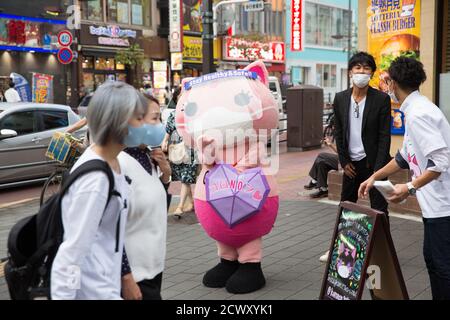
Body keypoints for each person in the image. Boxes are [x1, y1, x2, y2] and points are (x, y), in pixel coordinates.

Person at [359, 57, 450, 300]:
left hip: (444, 205)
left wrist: (408, 188)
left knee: (442, 267)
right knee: (433, 260)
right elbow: (404, 157)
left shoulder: (419, 114)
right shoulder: (414, 110)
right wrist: (374, 177)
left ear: (394, 83)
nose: (386, 88)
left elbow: (441, 162)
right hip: (434, 204)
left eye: (387, 82)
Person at [50, 81, 147, 299]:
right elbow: (70, 254)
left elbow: (108, 234)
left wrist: (125, 276)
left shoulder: (112, 162)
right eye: (139, 119)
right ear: (118, 121)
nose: (145, 126)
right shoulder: (95, 179)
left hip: (107, 286)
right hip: (92, 292)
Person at [119, 94, 171, 300]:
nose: (161, 125)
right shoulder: (117, 164)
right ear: (133, 120)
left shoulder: (147, 157)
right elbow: (106, 231)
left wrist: (165, 175)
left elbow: (156, 210)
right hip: (133, 275)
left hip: (153, 267)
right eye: (155, 118)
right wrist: (126, 278)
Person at [333, 51, 391, 216]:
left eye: (366, 68)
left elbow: (384, 137)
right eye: (357, 67)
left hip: (373, 164)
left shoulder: (381, 99)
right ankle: (345, 241)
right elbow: (338, 132)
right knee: (346, 207)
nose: (361, 72)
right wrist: (344, 161)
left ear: (372, 73)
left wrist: (378, 169)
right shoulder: (340, 98)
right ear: (350, 72)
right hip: (351, 164)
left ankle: (382, 241)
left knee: (380, 210)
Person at [161, 87, 199, 217]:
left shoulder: (195, 113)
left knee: (186, 178)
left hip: (192, 148)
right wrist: (164, 141)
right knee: (182, 176)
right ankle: (191, 203)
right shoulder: (173, 114)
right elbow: (168, 130)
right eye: (181, 96)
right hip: (177, 149)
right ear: (176, 98)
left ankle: (180, 206)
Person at [304, 114, 339, 198]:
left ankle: (314, 180)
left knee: (321, 155)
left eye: (334, 126)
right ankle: (323, 189)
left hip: (348, 162)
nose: (333, 128)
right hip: (342, 159)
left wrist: (330, 144)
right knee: (321, 162)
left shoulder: (345, 134)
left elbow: (341, 152)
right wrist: (330, 144)